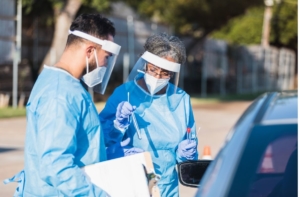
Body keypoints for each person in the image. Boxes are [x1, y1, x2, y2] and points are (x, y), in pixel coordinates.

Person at [4, 13, 121, 196]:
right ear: (90, 51)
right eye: (106, 56)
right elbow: (55, 163)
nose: (106, 64)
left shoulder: (61, 82)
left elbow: (79, 139)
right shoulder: (60, 94)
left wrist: (113, 136)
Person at [99, 32, 198, 197]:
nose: (157, 76)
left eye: (166, 73)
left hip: (167, 188)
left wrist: (185, 154)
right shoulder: (124, 94)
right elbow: (100, 140)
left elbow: (190, 150)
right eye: (153, 69)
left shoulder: (181, 100)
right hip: (129, 184)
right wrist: (117, 126)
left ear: (173, 73)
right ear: (144, 63)